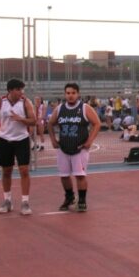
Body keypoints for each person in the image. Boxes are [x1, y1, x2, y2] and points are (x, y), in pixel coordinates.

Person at [0, 78, 37, 215]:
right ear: (10, 90)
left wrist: (21, 119)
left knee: (24, 170)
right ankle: (7, 201)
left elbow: (34, 121)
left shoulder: (26, 102)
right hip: (5, 139)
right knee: (6, 171)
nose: (21, 92)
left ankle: (25, 202)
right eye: (18, 89)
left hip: (22, 139)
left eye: (22, 89)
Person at [48, 83, 101, 212]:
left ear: (78, 94)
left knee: (80, 175)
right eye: (68, 93)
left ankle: (82, 201)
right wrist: (53, 140)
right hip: (63, 147)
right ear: (65, 94)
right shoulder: (60, 109)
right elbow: (50, 124)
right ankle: (69, 197)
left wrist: (89, 141)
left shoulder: (84, 108)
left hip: (79, 148)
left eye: (73, 93)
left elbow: (97, 123)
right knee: (64, 176)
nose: (70, 96)